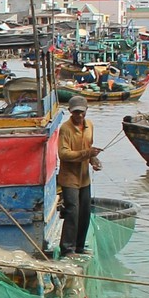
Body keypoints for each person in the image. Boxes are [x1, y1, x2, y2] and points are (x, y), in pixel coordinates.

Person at [57, 95, 99, 256]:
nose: (79, 116)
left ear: (86, 110)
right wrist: (86, 153)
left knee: (85, 212)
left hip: (84, 177)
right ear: (70, 112)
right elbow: (63, 154)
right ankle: (67, 249)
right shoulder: (65, 129)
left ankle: (79, 247)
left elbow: (89, 148)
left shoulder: (89, 125)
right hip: (69, 178)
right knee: (72, 212)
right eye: (76, 113)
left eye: (82, 112)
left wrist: (94, 159)